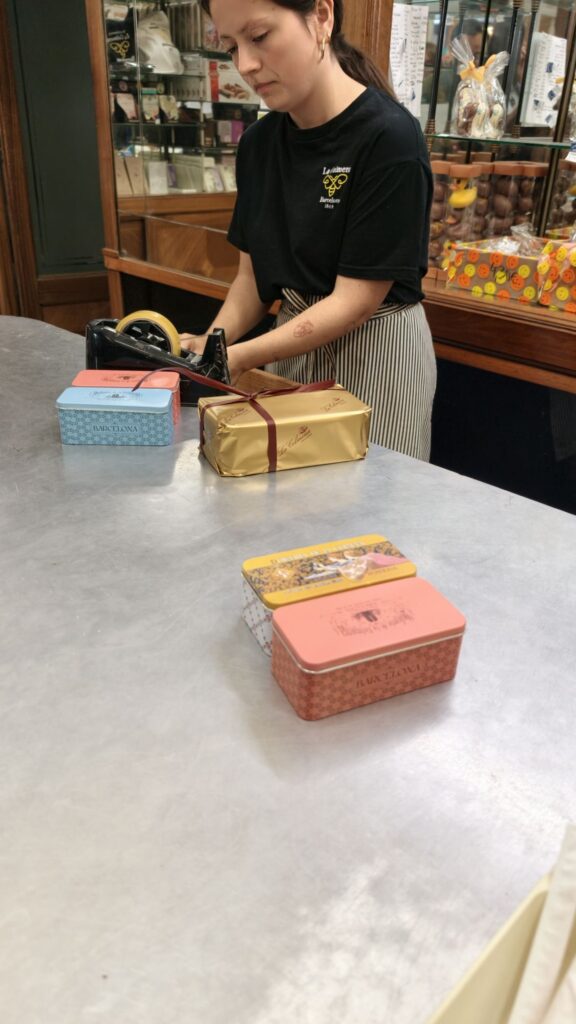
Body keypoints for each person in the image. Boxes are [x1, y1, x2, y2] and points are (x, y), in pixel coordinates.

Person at [180, 0, 436, 460]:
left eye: (259, 37)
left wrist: (240, 356)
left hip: (376, 351)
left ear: (321, 16)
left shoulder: (390, 137)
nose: (245, 64)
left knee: (374, 495)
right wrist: (211, 344)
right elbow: (251, 281)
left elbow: (355, 302)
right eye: (231, 46)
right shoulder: (258, 144)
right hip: (291, 347)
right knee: (294, 495)